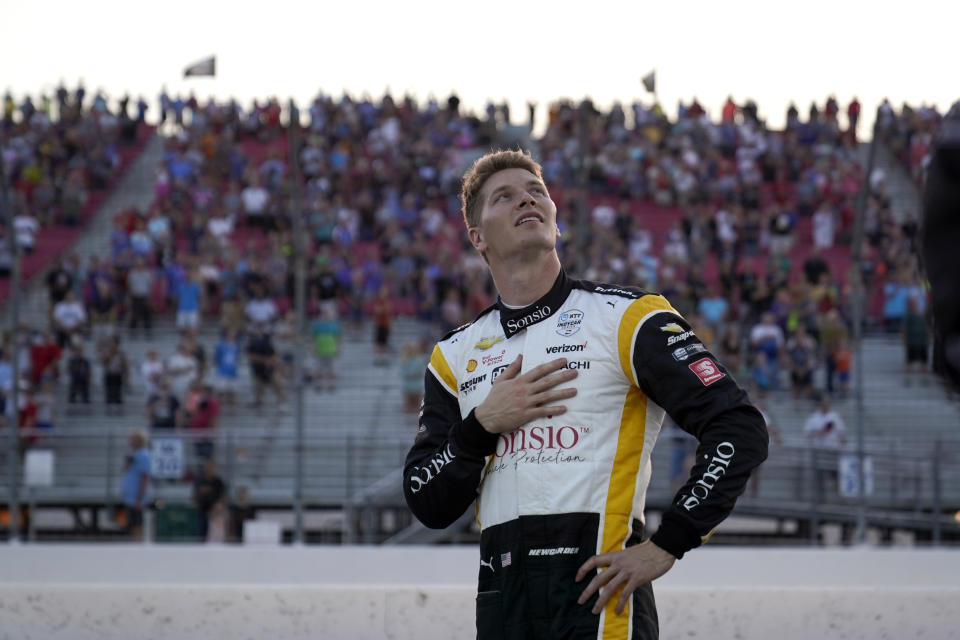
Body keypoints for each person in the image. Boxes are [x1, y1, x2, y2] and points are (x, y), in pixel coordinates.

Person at [402, 150, 768, 639]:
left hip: (603, 611)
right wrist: (481, 426)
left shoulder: (629, 317)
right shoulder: (453, 356)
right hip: (502, 613)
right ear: (478, 238)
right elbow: (427, 501)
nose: (526, 199)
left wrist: (668, 543)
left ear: (555, 220)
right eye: (504, 196)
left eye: (536, 192)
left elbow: (739, 428)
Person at [121, 428, 152, 541]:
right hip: (131, 498)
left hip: (136, 498)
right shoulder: (134, 455)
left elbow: (145, 477)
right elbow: (124, 470)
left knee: (137, 524)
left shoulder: (143, 455)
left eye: (133, 439)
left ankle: (139, 545)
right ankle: (136, 543)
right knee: (132, 524)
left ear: (140, 440)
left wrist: (140, 498)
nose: (130, 441)